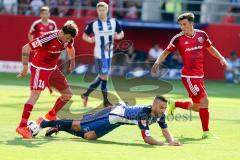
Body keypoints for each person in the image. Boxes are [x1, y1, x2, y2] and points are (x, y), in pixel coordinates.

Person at [152, 12, 229, 139]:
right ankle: (206, 133)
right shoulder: (178, 38)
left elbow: (210, 48)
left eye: (184, 24)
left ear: (191, 23)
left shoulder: (202, 35)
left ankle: (174, 104)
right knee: (205, 101)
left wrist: (221, 58)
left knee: (199, 108)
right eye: (181, 25)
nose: (182, 27)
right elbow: (165, 52)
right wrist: (157, 62)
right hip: (189, 77)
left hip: (199, 75)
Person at [16, 20, 79, 139]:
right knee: (35, 95)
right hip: (39, 68)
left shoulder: (69, 38)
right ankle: (22, 126)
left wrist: (72, 62)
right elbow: (26, 48)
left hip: (52, 69)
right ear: (62, 32)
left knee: (67, 94)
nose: (67, 41)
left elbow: (71, 48)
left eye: (69, 39)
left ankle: (51, 116)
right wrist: (25, 67)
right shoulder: (49, 37)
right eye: (66, 38)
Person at [37, 96, 181, 146]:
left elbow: (165, 129)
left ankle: (60, 127)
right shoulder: (144, 114)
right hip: (112, 114)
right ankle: (44, 123)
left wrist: (172, 140)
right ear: (154, 104)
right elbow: (147, 139)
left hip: (117, 122)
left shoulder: (160, 115)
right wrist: (166, 144)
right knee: (78, 125)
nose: (163, 110)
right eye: (161, 107)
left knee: (89, 137)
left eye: (165, 108)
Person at [81, 2, 124, 107]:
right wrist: (90, 40)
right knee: (104, 77)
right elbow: (84, 35)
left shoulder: (114, 22)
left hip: (109, 54)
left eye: (103, 10)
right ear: (97, 11)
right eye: (99, 10)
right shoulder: (93, 24)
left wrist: (118, 37)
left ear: (107, 10)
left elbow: (121, 33)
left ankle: (85, 94)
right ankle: (106, 102)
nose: (101, 12)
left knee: (103, 78)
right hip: (99, 55)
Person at [28, 6, 57, 95]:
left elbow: (56, 36)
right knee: (38, 69)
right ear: (40, 14)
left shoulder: (52, 24)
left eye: (47, 13)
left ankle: (49, 87)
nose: (45, 15)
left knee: (49, 71)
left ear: (49, 14)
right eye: (43, 13)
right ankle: (36, 86)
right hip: (40, 50)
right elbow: (30, 34)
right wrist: (32, 45)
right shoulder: (36, 24)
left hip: (50, 51)